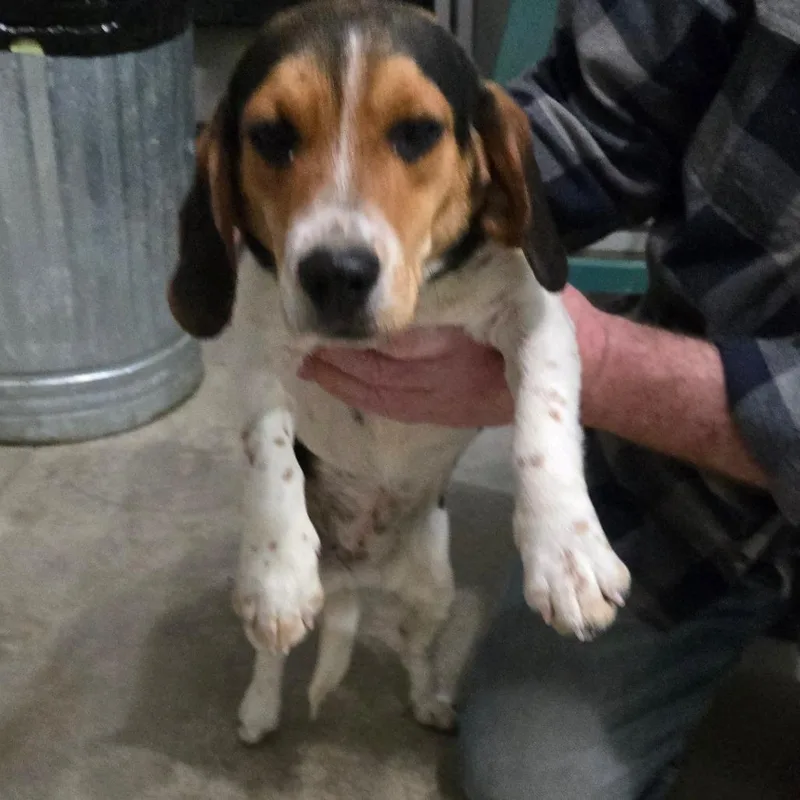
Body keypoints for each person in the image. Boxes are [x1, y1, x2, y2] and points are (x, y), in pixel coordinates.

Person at [299, 0, 800, 797]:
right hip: (691, 503)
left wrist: (601, 364)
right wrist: (412, 168)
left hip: (695, 409)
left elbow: (582, 352)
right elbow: (595, 111)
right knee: (530, 780)